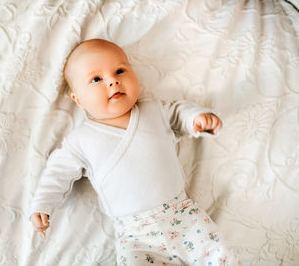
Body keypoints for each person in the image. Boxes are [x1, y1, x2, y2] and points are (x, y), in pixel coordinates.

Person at [30, 39, 240, 265]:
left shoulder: (153, 110)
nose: (113, 81)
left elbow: (180, 114)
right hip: (136, 237)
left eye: (119, 70)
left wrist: (197, 118)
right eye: (97, 79)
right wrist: (42, 205)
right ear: (78, 100)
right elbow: (57, 174)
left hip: (184, 218)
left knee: (220, 257)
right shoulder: (80, 141)